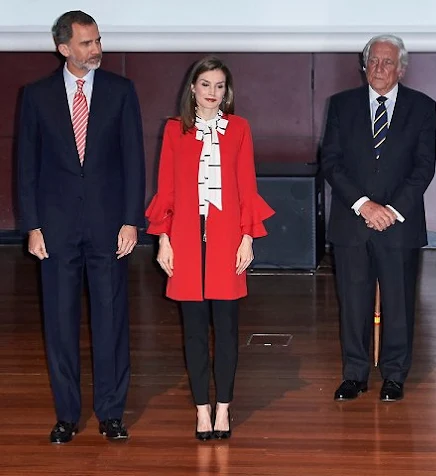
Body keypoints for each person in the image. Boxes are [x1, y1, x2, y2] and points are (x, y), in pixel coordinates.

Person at [18, 11, 146, 443]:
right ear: (64, 48)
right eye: (87, 43)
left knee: (111, 319)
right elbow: (26, 168)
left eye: (97, 40)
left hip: (110, 226)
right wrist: (32, 226)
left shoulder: (121, 91)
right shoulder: (35, 97)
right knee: (59, 321)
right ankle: (66, 415)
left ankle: (111, 411)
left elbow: (134, 161)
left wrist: (132, 220)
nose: (96, 49)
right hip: (55, 230)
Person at [145, 56, 274, 440]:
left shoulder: (239, 129)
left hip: (226, 241)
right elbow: (165, 188)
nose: (213, 93)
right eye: (206, 85)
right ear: (192, 88)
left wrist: (248, 237)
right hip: (185, 240)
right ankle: (202, 409)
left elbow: (246, 186)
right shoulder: (173, 131)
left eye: (220, 86)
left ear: (227, 91)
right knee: (195, 331)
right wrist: (163, 239)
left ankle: (224, 408)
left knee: (228, 328)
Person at [321, 34, 436, 402]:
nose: (380, 68)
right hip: (352, 221)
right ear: (364, 65)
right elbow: (332, 162)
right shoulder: (341, 105)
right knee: (352, 302)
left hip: (399, 224)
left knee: (399, 303)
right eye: (374, 61)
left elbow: (423, 167)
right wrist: (363, 205)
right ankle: (354, 374)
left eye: (388, 62)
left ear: (401, 68)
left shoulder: (423, 107)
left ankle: (394, 375)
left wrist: (391, 210)